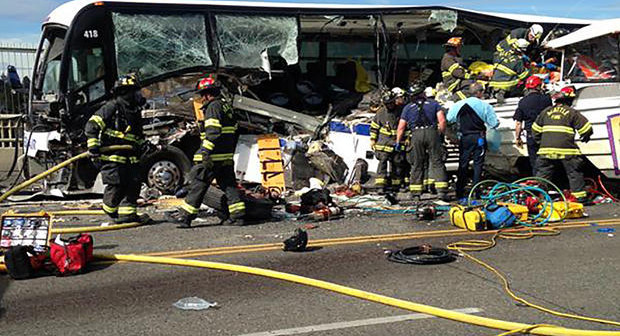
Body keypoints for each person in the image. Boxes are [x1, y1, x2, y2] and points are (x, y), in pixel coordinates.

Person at [167, 75, 245, 228]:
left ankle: (185, 216)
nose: (202, 98)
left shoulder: (213, 107)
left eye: (203, 95)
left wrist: (205, 152)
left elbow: (213, 132)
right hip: (226, 155)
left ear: (208, 94)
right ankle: (238, 216)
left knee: (199, 183)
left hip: (213, 156)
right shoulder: (226, 106)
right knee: (229, 186)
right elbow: (234, 131)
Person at [85, 73, 150, 224]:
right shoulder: (112, 107)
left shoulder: (134, 111)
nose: (137, 95)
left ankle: (128, 215)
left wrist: (143, 146)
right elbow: (92, 125)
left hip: (131, 158)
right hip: (114, 157)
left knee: (133, 185)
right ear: (125, 92)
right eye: (135, 92)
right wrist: (93, 146)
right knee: (117, 185)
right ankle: (111, 210)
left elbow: (137, 135)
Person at [532, 86, 592, 202]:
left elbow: (535, 131)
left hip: (546, 150)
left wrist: (543, 143)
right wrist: (585, 137)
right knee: (574, 173)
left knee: (543, 175)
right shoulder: (571, 112)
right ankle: (579, 198)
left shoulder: (545, 112)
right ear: (569, 100)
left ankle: (538, 199)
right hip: (567, 151)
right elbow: (586, 128)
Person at [447, 83, 500, 200]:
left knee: (463, 164)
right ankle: (476, 192)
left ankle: (459, 191)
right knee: (478, 165)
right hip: (478, 138)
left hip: (464, 138)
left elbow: (449, 119)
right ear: (479, 93)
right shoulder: (485, 106)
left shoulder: (458, 105)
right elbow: (493, 124)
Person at [397, 81, 449, 201]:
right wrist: (440, 134)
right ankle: (441, 192)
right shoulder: (434, 104)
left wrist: (398, 142)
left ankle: (416, 193)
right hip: (432, 132)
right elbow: (442, 121)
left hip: (416, 134)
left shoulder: (407, 108)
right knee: (437, 162)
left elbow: (401, 127)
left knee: (417, 163)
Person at [513, 75, 552, 175]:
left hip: (531, 135)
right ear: (539, 86)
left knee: (534, 162)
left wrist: (517, 138)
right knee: (547, 161)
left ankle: (538, 183)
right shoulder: (547, 99)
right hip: (546, 134)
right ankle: (549, 182)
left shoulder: (523, 102)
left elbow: (518, 123)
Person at [370, 88, 406, 193]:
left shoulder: (401, 111)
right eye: (387, 104)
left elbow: (405, 127)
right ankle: (380, 186)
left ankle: (396, 185)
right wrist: (373, 139)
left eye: (391, 103)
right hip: (384, 143)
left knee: (397, 164)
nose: (389, 105)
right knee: (382, 163)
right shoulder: (381, 113)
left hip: (396, 142)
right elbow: (374, 127)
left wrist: (406, 139)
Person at [490, 38, 530, 104]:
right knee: (524, 83)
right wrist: (529, 70)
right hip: (508, 85)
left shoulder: (500, 54)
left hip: (494, 83)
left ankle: (499, 93)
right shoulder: (517, 61)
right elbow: (523, 76)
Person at [441, 37, 474, 101]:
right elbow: (457, 72)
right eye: (459, 47)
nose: (460, 49)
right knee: (471, 85)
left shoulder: (455, 58)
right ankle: (455, 97)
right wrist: (471, 77)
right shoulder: (447, 59)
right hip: (453, 83)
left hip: (458, 81)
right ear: (453, 48)